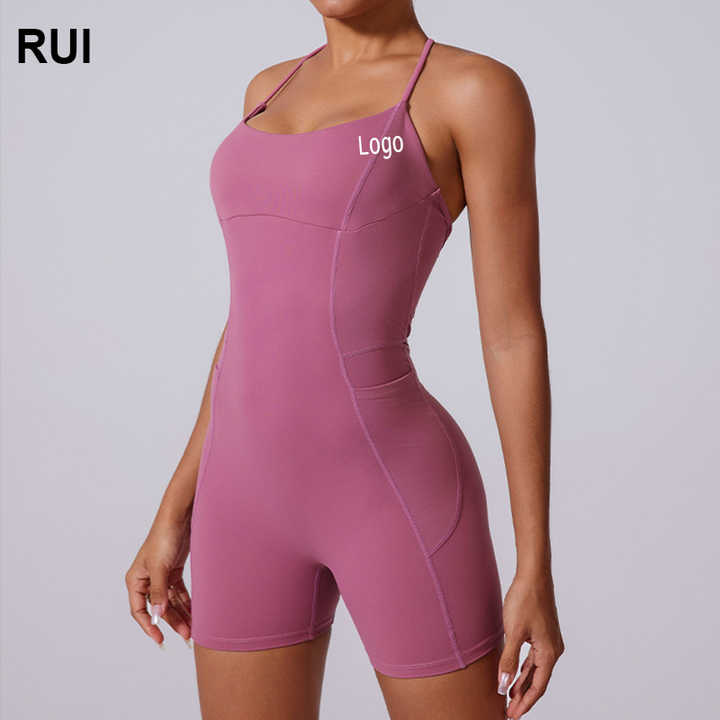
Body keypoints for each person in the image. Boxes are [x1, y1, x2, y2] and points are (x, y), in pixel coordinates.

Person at [125, 2, 564, 718]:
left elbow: (512, 332)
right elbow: (254, 319)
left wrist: (535, 564)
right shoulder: (268, 88)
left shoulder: (472, 90)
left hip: (390, 489)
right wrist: (175, 509)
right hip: (239, 501)